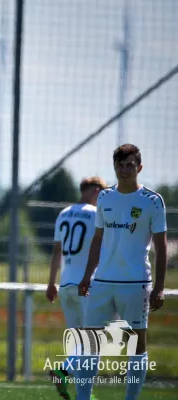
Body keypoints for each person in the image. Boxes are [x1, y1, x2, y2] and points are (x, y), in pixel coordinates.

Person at [77, 144, 167, 400]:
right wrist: (87, 276)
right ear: (114, 167)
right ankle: (82, 397)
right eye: (120, 165)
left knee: (137, 345)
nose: (125, 170)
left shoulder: (152, 201)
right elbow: (97, 239)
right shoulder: (105, 197)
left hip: (136, 283)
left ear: (139, 167)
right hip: (103, 282)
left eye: (130, 165)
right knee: (90, 342)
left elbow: (160, 247)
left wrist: (159, 287)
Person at [45, 177, 106, 400]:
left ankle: (83, 395)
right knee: (94, 344)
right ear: (97, 191)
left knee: (81, 344)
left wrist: (52, 282)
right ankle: (64, 371)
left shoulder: (64, 214)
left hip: (66, 283)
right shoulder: (95, 214)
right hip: (87, 285)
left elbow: (56, 252)